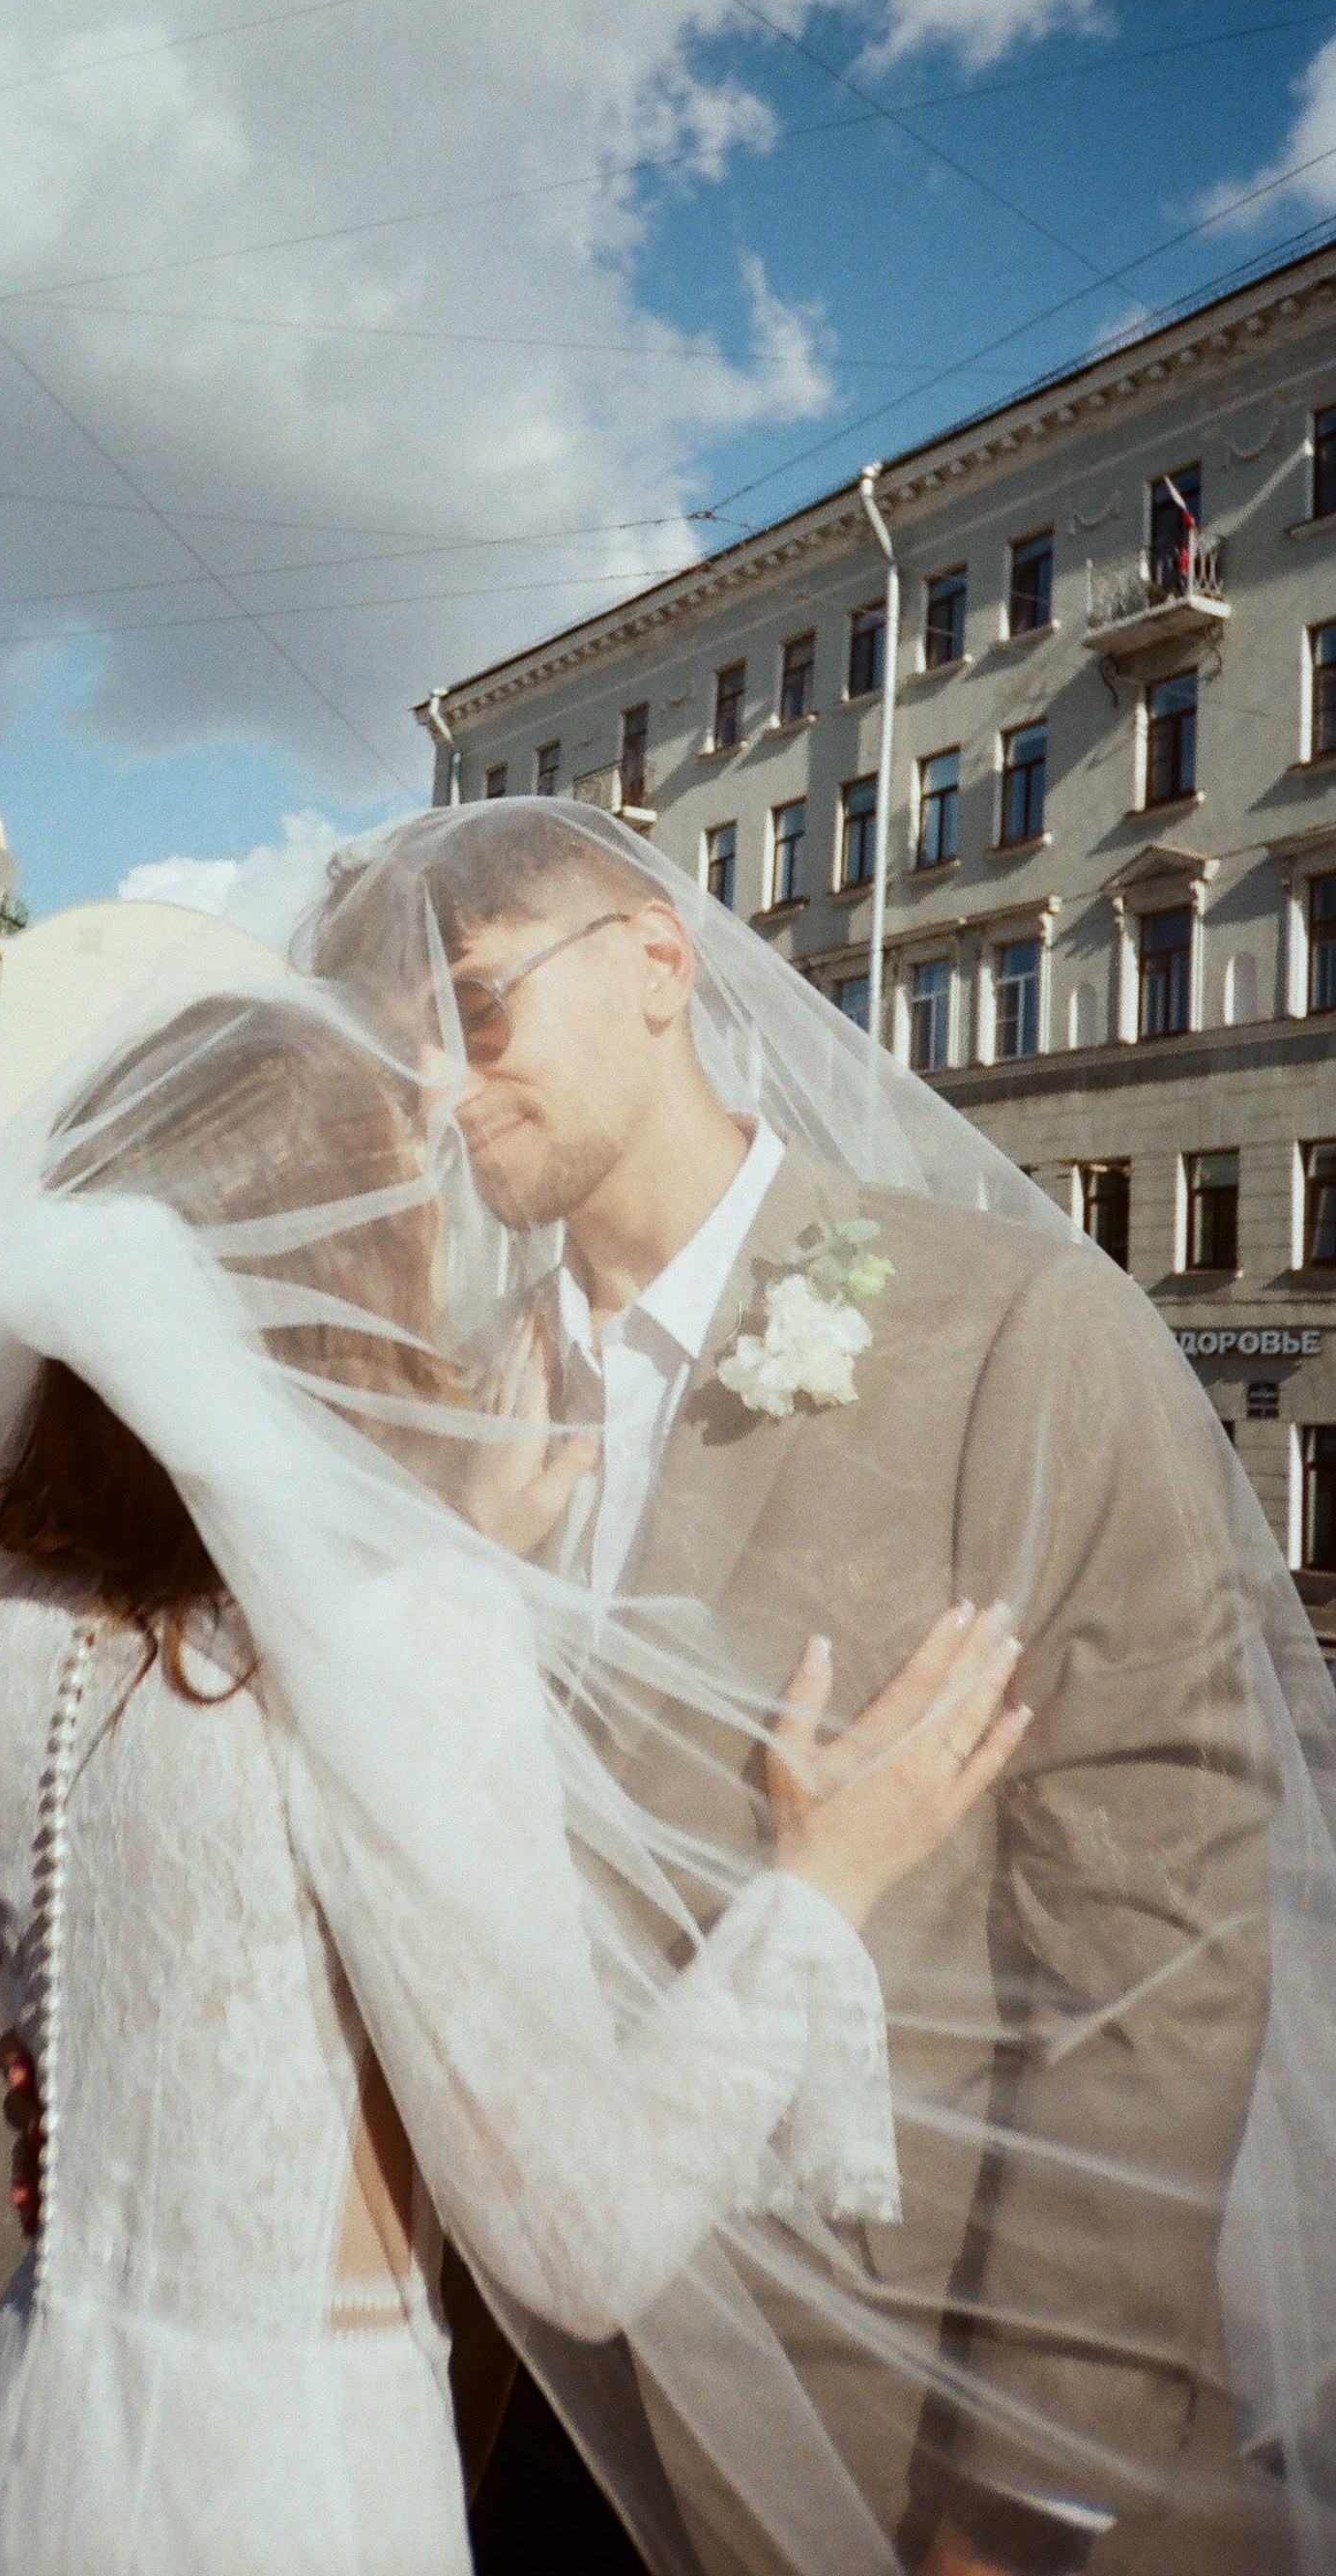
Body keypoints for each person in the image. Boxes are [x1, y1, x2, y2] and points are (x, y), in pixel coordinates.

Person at [302, 798, 1336, 2576]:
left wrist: (1023, 2498)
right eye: (394, 1055)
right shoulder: (459, 1405)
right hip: (497, 2419)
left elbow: (1155, 1954)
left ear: (654, 961)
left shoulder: (1013, 1326)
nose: (442, 1090)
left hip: (889, 2425)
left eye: (472, 1010)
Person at [0, 993, 1029, 2576]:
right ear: (330, 1284)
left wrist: (445, 1552)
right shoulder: (406, 1640)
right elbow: (581, 2236)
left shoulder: (20, 1640)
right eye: (406, 1223)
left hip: (36, 2448)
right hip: (293, 2491)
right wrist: (822, 1885)